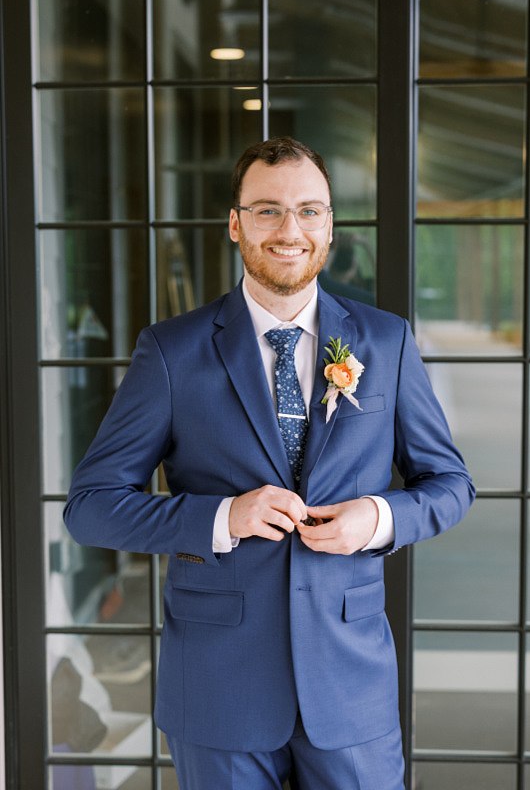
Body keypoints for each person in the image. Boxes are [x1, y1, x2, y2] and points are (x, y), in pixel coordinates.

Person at [64, 136, 475, 790]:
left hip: (350, 688)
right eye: (268, 211)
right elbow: (90, 509)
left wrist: (377, 518)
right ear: (235, 224)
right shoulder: (171, 353)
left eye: (310, 211)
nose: (291, 229)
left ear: (331, 225)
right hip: (217, 692)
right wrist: (224, 517)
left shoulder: (387, 342)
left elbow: (452, 485)